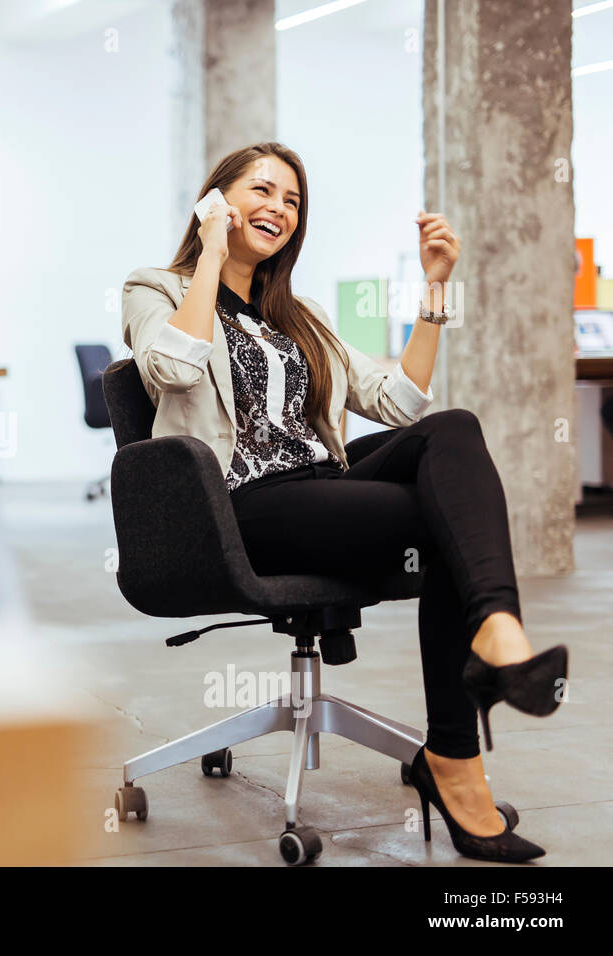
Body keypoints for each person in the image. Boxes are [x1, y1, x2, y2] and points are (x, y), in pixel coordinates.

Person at [121, 141, 568, 863]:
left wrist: (434, 290)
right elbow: (171, 366)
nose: (279, 209)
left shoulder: (301, 314)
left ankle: (494, 636)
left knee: (451, 429)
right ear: (217, 199)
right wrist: (209, 255)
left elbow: (400, 401)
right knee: (445, 519)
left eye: (293, 200)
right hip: (238, 508)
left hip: (319, 489)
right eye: (262, 190)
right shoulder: (156, 287)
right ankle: (454, 754)